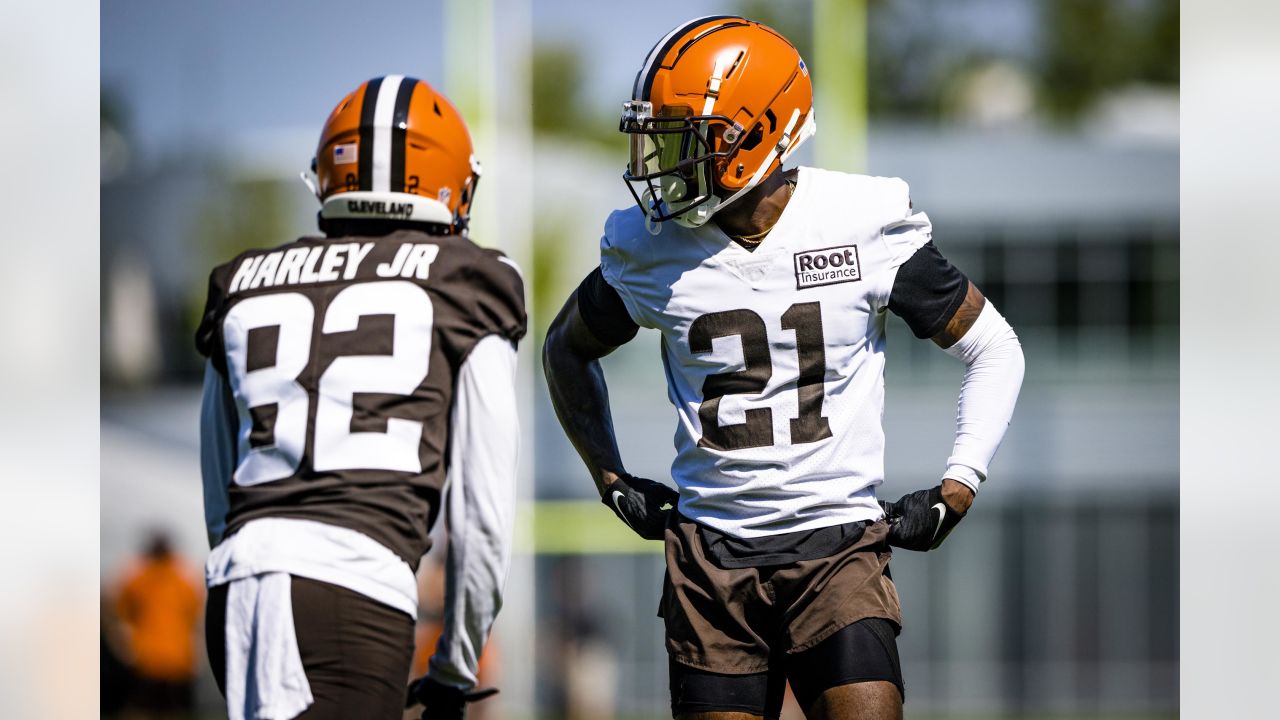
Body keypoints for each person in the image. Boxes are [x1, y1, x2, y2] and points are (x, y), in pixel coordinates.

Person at [542, 17, 1025, 720]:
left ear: (756, 135)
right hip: (711, 557)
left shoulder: (859, 220)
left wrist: (960, 483)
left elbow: (994, 346)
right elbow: (566, 348)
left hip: (838, 547)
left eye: (686, 139)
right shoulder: (649, 248)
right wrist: (610, 480)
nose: (661, 162)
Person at [196, 75, 525, 720]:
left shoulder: (244, 281)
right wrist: (457, 667)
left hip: (237, 585)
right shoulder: (469, 279)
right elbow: (483, 511)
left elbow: (220, 488)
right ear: (451, 184)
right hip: (351, 589)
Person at [113, 531, 202, 717]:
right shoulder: (183, 578)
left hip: (147, 658)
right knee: (173, 711)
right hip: (176, 659)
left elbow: (121, 611)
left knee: (141, 709)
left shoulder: (139, 578)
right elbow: (194, 614)